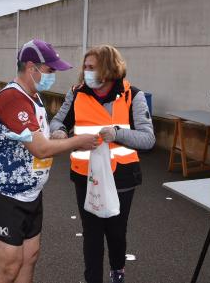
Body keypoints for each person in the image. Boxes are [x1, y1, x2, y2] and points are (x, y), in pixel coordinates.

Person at [0, 39, 100, 283]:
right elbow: (41, 149)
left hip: (30, 195)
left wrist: (57, 135)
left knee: (29, 258)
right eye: (50, 70)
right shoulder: (13, 98)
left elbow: (37, 137)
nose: (53, 75)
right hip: (4, 196)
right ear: (32, 67)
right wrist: (77, 141)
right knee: (8, 268)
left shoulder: (34, 97)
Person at [50, 45, 155, 283]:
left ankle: (118, 271)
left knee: (116, 232)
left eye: (92, 67)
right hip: (85, 176)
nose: (86, 72)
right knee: (92, 234)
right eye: (85, 67)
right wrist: (59, 133)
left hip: (122, 178)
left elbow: (148, 139)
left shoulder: (132, 96)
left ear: (108, 69)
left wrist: (117, 133)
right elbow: (57, 122)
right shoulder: (76, 93)